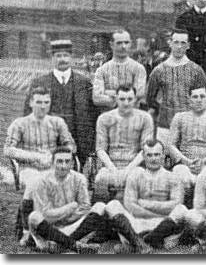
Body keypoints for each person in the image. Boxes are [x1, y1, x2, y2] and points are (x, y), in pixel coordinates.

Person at [7, 87, 76, 244]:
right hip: (29, 167)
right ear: (31, 102)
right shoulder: (20, 123)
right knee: (35, 182)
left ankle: (56, 228)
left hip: (52, 166)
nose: (43, 106)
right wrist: (34, 156)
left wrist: (55, 157)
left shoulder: (57, 122)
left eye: (46, 102)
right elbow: (8, 150)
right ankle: (26, 231)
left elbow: (71, 145)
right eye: (39, 102)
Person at [102, 140, 187, 253]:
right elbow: (130, 205)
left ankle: (139, 243)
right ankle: (142, 243)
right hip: (137, 225)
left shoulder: (172, 177)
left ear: (163, 155)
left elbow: (176, 204)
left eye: (157, 154)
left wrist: (145, 204)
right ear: (143, 156)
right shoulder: (136, 175)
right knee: (112, 205)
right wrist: (157, 211)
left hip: (163, 226)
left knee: (182, 210)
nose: (153, 158)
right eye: (149, 155)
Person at [25, 40, 97, 170]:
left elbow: (93, 115)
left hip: (78, 143)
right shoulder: (39, 82)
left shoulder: (84, 83)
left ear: (71, 57)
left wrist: (88, 144)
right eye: (58, 56)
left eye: (65, 55)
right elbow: (28, 114)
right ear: (52, 58)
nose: (62, 59)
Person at [27, 147, 104, 254]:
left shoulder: (79, 178)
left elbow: (85, 207)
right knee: (34, 217)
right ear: (52, 163)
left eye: (67, 161)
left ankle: (60, 245)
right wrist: (70, 207)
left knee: (100, 207)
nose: (63, 166)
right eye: (59, 161)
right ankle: (75, 246)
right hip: (49, 229)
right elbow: (44, 214)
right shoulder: (42, 181)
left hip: (70, 226)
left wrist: (65, 217)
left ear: (72, 163)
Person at [146, 29, 206, 143]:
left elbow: (202, 100)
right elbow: (150, 99)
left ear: (188, 45)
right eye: (176, 42)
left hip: (190, 127)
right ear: (170, 43)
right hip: (165, 127)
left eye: (183, 43)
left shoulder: (196, 71)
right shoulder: (158, 71)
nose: (179, 46)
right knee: (166, 159)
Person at [94, 86, 153, 202]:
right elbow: (100, 149)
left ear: (136, 99)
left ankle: (130, 208)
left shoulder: (145, 118)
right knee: (100, 178)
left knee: (138, 177)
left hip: (134, 166)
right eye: (122, 99)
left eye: (130, 99)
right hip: (111, 165)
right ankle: (102, 213)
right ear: (116, 99)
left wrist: (127, 170)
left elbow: (146, 149)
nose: (126, 103)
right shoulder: (104, 118)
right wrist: (113, 170)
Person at [168, 87, 206, 191]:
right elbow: (170, 145)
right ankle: (181, 206)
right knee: (178, 174)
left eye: (202, 96)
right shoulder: (179, 117)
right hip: (185, 165)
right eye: (195, 97)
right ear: (189, 100)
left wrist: (205, 161)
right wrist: (186, 161)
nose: (199, 100)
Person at [92, 29, 147, 109]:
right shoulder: (102, 70)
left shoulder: (139, 68)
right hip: (109, 118)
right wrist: (128, 96)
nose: (123, 46)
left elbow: (139, 94)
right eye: (119, 43)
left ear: (130, 43)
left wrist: (106, 92)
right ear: (111, 45)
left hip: (132, 118)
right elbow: (97, 98)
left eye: (126, 42)